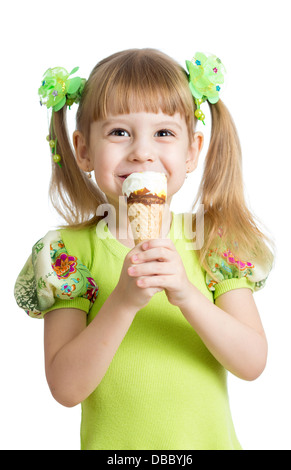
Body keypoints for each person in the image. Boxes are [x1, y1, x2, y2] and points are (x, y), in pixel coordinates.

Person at [14, 49, 274, 450]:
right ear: (83, 149)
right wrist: (122, 301)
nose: (141, 151)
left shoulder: (214, 243)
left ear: (191, 151)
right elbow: (66, 388)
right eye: (119, 132)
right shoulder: (67, 253)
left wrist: (187, 294)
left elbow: (252, 362)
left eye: (164, 133)